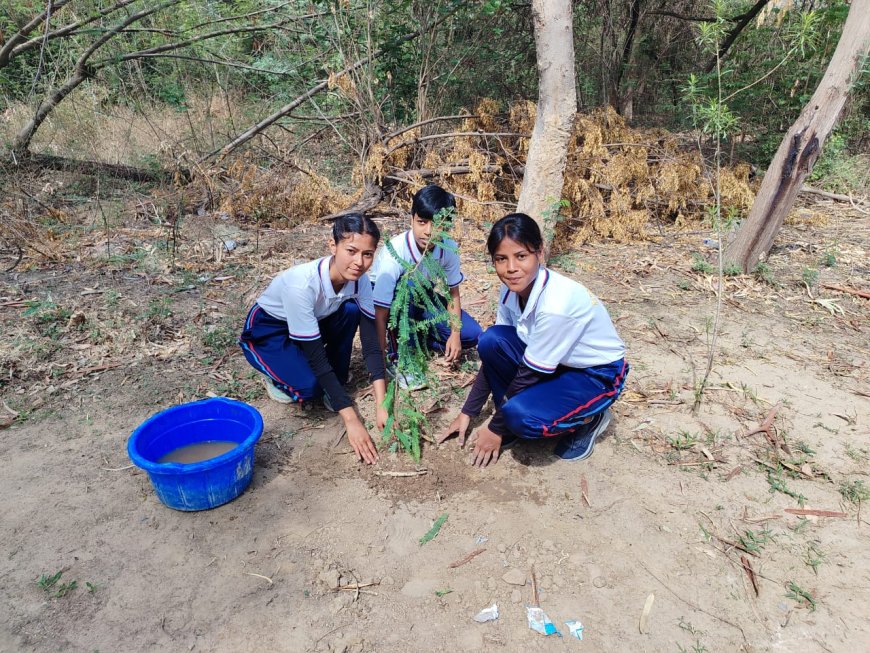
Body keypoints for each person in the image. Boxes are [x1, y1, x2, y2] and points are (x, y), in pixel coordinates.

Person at [439, 212, 629, 467]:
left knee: (521, 417)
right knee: (491, 340)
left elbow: (528, 373)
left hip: (594, 374)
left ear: (539, 252)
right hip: (554, 362)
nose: (511, 268)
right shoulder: (511, 290)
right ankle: (510, 419)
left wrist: (496, 427)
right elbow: (493, 355)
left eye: (521, 256)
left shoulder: (556, 304)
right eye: (501, 259)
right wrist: (468, 411)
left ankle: (590, 419)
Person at [238, 213, 386, 464]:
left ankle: (331, 383)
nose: (359, 262)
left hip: (312, 323)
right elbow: (317, 359)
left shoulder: (360, 282)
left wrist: (383, 403)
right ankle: (276, 377)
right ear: (333, 246)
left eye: (367, 254)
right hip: (269, 330)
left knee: (350, 312)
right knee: (310, 386)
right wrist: (352, 421)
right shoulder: (302, 285)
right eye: (351, 251)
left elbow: (371, 344)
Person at [370, 184, 482, 378]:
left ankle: (419, 335)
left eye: (437, 224)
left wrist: (455, 336)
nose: (429, 231)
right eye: (422, 222)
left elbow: (452, 293)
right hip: (389, 303)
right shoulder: (395, 252)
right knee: (410, 288)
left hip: (424, 296)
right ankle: (403, 354)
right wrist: (380, 354)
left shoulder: (448, 248)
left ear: (447, 224)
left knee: (471, 335)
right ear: (412, 218)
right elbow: (380, 310)